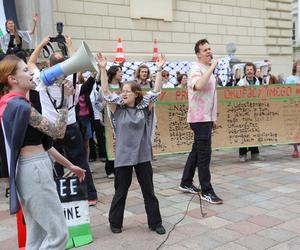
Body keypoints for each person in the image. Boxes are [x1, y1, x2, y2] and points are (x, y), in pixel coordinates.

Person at [0, 55, 85, 249]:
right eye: (25, 70)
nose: (31, 73)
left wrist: (69, 165)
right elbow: (58, 132)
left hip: (30, 168)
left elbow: (44, 144)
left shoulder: (10, 104)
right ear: (12, 80)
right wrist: (65, 101)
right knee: (58, 234)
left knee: (37, 235)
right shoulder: (21, 107)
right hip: (35, 170)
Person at [98, 52, 166, 235]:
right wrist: (103, 69)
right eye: (123, 90)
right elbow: (106, 93)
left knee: (149, 191)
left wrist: (159, 69)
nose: (123, 93)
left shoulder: (144, 109)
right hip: (124, 156)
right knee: (121, 191)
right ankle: (115, 222)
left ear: (136, 94)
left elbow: (156, 92)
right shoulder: (117, 109)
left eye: (127, 91)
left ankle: (155, 223)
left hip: (143, 155)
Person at [27, 36, 98, 205]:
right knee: (80, 160)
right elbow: (77, 61)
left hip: (50, 128)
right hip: (70, 126)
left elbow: (31, 62)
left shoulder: (40, 78)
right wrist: (69, 44)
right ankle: (91, 195)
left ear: (50, 66)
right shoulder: (71, 76)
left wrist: (42, 44)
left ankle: (60, 196)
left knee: (56, 163)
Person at [179, 39, 223, 205]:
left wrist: (213, 118)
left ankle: (186, 182)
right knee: (205, 155)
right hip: (199, 119)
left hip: (206, 118)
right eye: (205, 50)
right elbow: (198, 86)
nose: (209, 52)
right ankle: (207, 191)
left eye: (209, 49)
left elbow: (211, 95)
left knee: (197, 151)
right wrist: (212, 67)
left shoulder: (206, 68)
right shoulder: (196, 69)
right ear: (198, 54)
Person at [237, 62, 263, 162]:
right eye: (247, 70)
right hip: (244, 112)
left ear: (254, 71)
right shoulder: (240, 83)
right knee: (243, 131)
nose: (249, 72)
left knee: (255, 131)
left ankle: (255, 153)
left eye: (251, 70)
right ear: (245, 71)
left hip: (255, 111)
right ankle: (242, 154)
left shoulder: (259, 82)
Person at [285, 60, 300, 158]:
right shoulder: (290, 78)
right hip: (293, 107)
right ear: (295, 67)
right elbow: (286, 91)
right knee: (294, 128)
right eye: (298, 65)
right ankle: (295, 150)